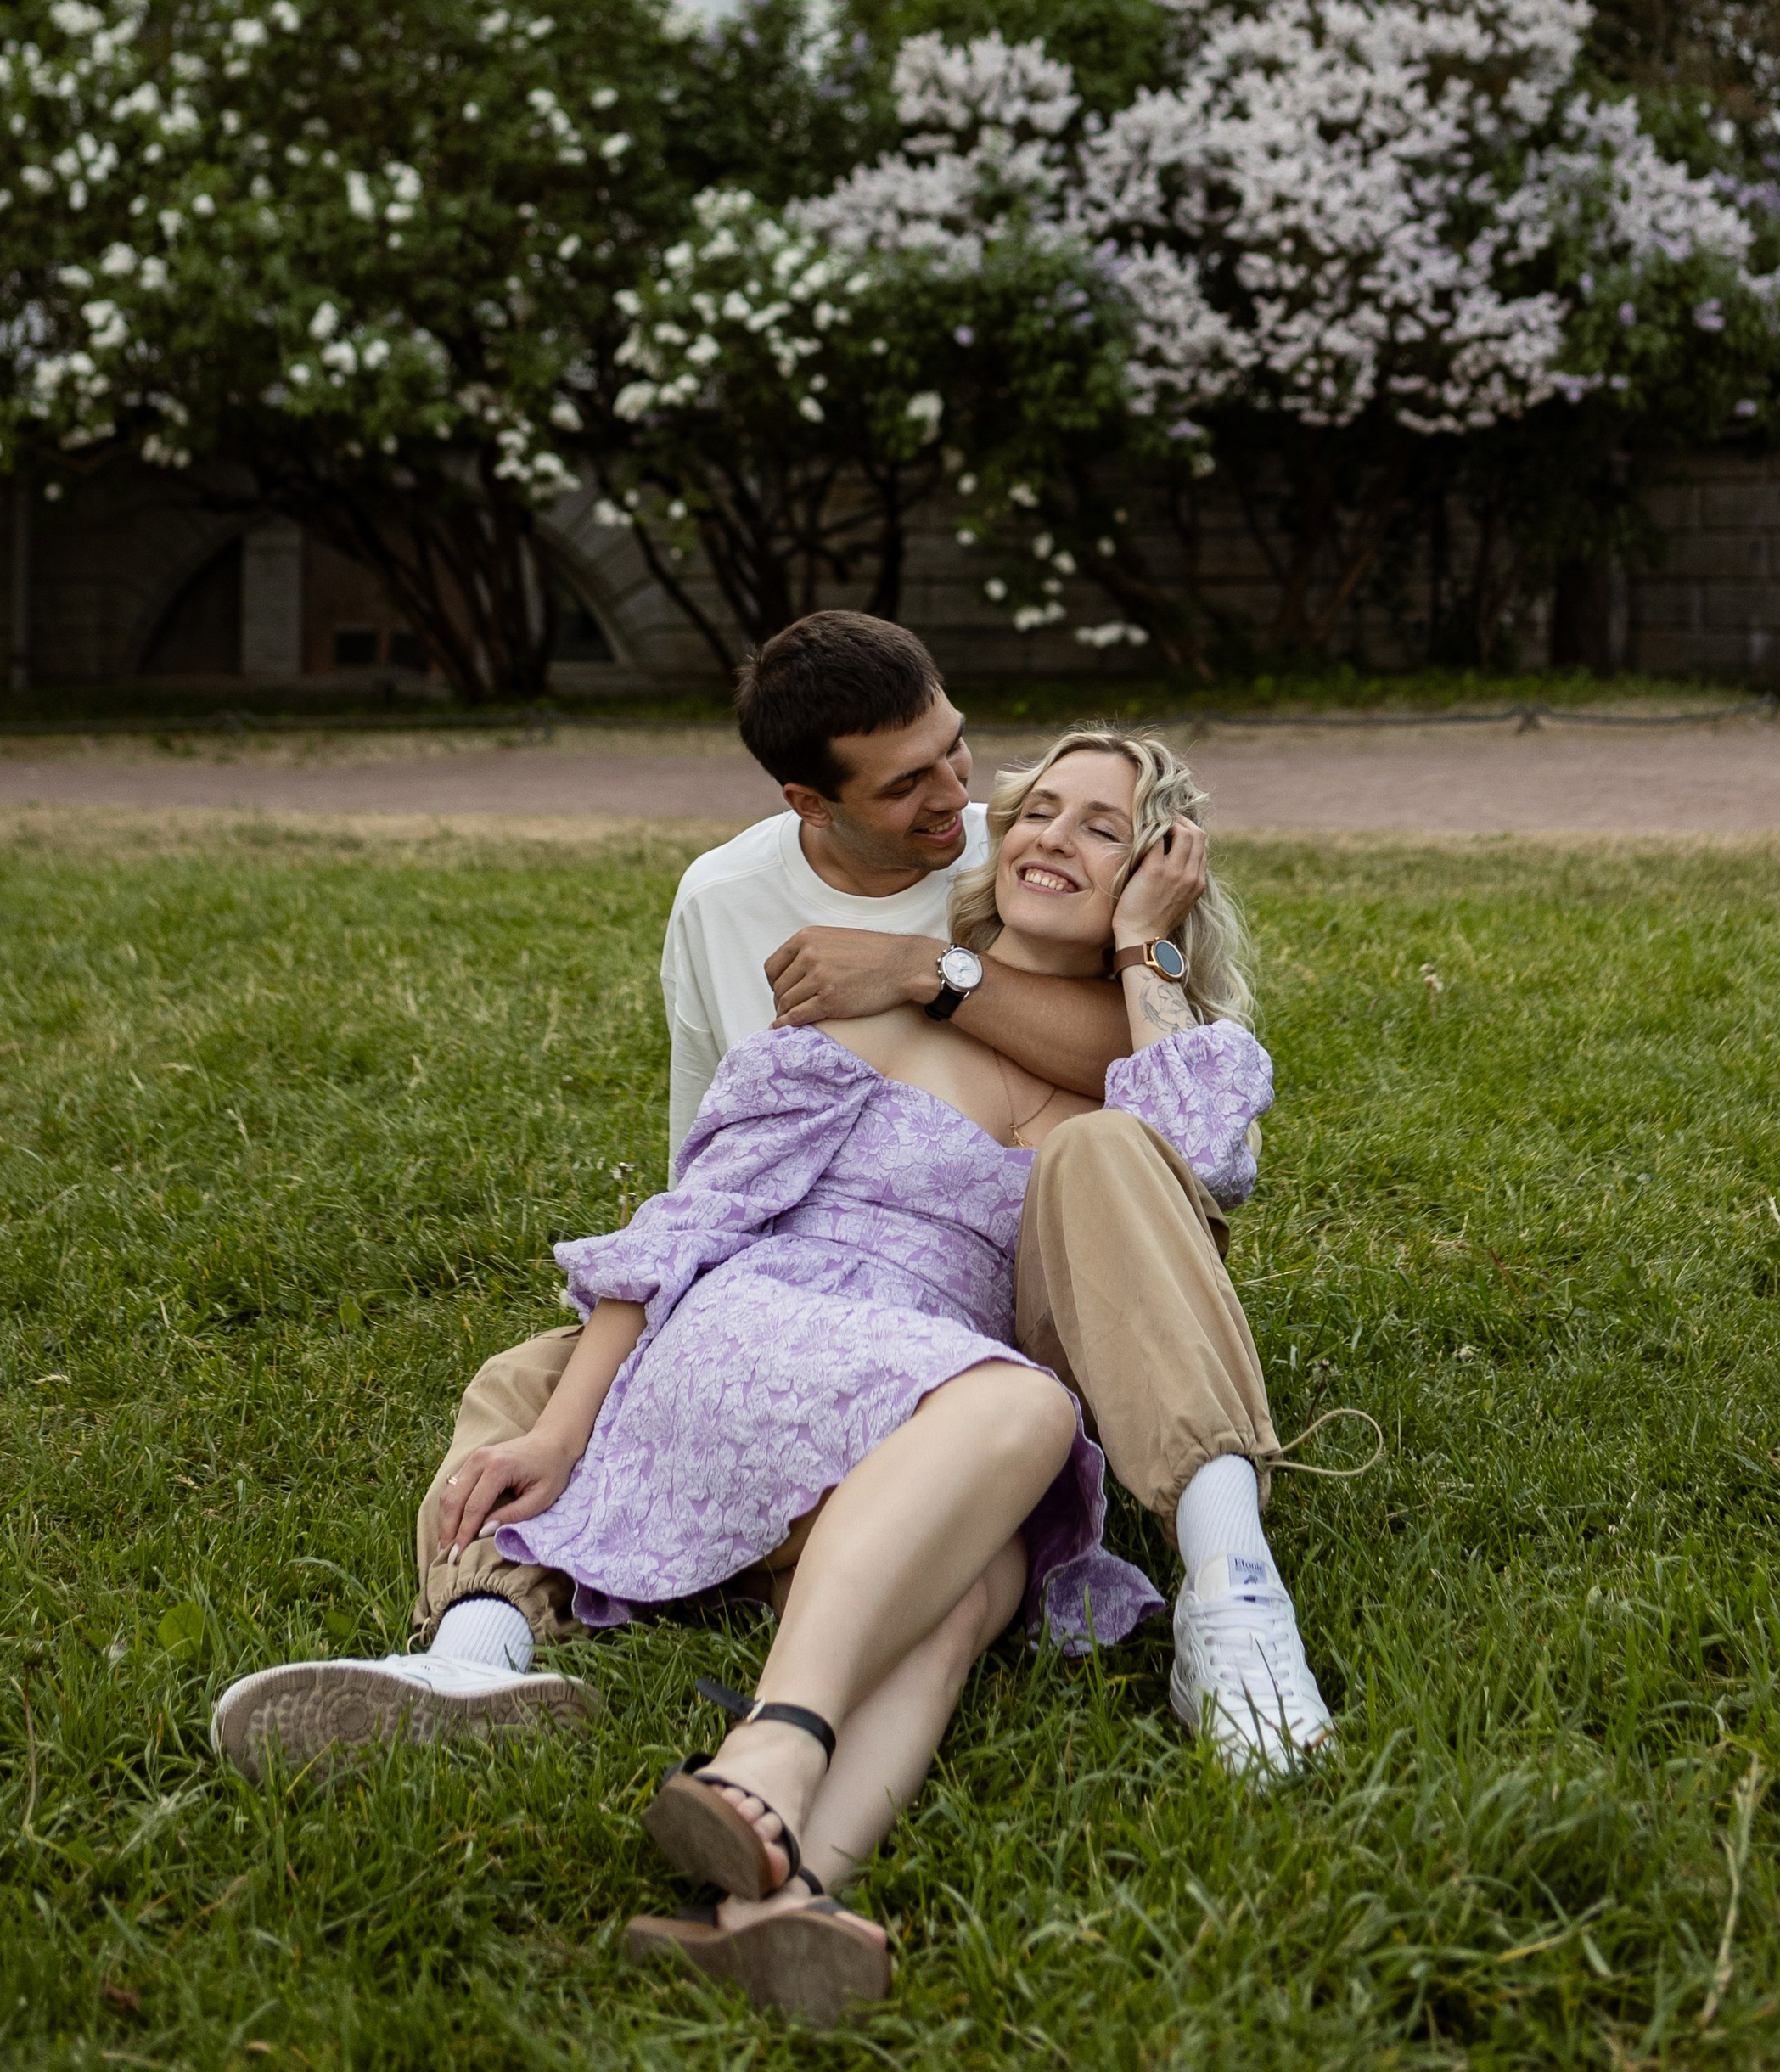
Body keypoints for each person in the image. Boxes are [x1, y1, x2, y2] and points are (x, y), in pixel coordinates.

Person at [211, 620, 1329, 1784]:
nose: (978, 811)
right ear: (814, 799)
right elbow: (709, 1188)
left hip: (1030, 1326)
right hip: (804, 1294)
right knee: (539, 1379)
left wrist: (1004, 961)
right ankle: (479, 1652)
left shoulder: (1014, 866)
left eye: (964, 757)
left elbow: (1179, 1124)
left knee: (1094, 1162)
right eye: (925, 786)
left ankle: (1223, 1594)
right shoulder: (731, 904)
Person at [450, 733, 1306, 2021]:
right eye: (1035, 813)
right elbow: (691, 1219)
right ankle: (769, 1748)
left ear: (1157, 871)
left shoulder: (1131, 1080)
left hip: (918, 1436)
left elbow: (1205, 1169)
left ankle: (776, 1897)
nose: (1050, 840)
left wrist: (1147, 954)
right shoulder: (868, 1008)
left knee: (989, 1578)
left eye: (1099, 827)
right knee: (1026, 1405)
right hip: (776, 1344)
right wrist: (572, 1422)